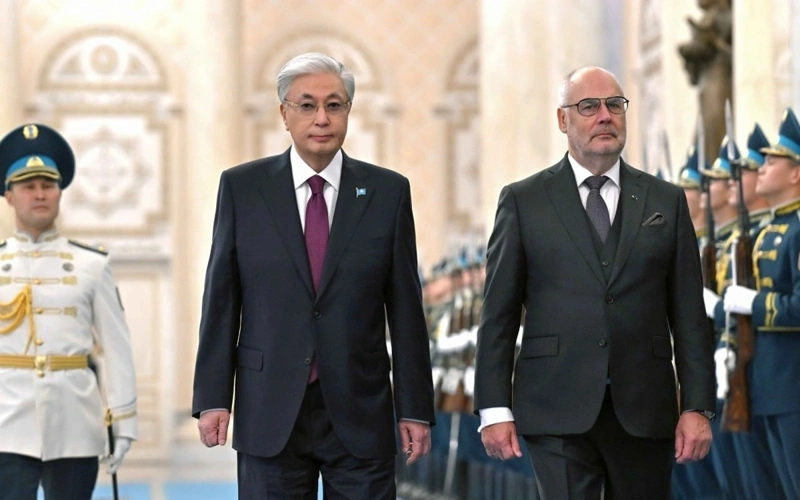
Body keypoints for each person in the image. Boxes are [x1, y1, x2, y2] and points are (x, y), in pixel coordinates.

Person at [192, 52, 435, 499]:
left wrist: (415, 407)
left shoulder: (387, 192)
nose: (322, 118)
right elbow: (222, 301)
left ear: (348, 112)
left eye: (334, 105)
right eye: (307, 105)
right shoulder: (243, 188)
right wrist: (212, 397)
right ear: (284, 114)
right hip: (269, 406)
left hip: (361, 408)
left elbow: (406, 311)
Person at [473, 66, 715, 499]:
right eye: (588, 106)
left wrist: (697, 405)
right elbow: (499, 314)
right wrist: (493, 407)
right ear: (563, 120)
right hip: (555, 403)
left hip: (645, 406)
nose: (605, 116)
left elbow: (689, 315)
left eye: (614, 105)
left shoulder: (666, 200)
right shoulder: (524, 200)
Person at [0, 124, 138, 500]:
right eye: (28, 186)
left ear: (60, 191)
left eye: (48, 185)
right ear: (9, 195)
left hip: (74, 423)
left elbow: (116, 345)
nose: (39, 194)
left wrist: (123, 419)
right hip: (6, 424)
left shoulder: (91, 264)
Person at [723, 108, 800, 499]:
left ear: (796, 173)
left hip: (792, 383)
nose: (762, 169)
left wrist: (755, 303)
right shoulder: (771, 230)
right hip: (766, 382)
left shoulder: (796, 231)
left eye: (773, 161)